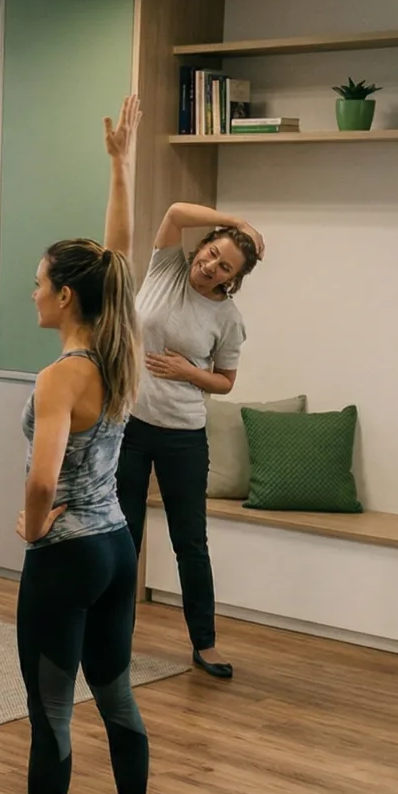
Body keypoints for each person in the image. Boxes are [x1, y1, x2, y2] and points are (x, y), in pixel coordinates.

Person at [0, 94, 157, 794]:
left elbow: (43, 478)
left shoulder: (60, 377)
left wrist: (33, 521)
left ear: (67, 298)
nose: (34, 292)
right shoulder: (120, 352)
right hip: (116, 545)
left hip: (67, 555)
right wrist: (120, 166)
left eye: (41, 283)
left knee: (50, 713)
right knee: (115, 695)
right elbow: (116, 260)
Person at [114, 192, 264, 679]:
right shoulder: (166, 268)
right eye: (213, 253)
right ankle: (114, 640)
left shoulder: (228, 319)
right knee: (122, 536)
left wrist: (187, 372)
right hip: (130, 426)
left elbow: (225, 382)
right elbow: (175, 212)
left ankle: (205, 643)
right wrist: (237, 221)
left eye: (225, 268)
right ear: (203, 246)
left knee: (190, 542)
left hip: (183, 435)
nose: (211, 267)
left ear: (233, 279)